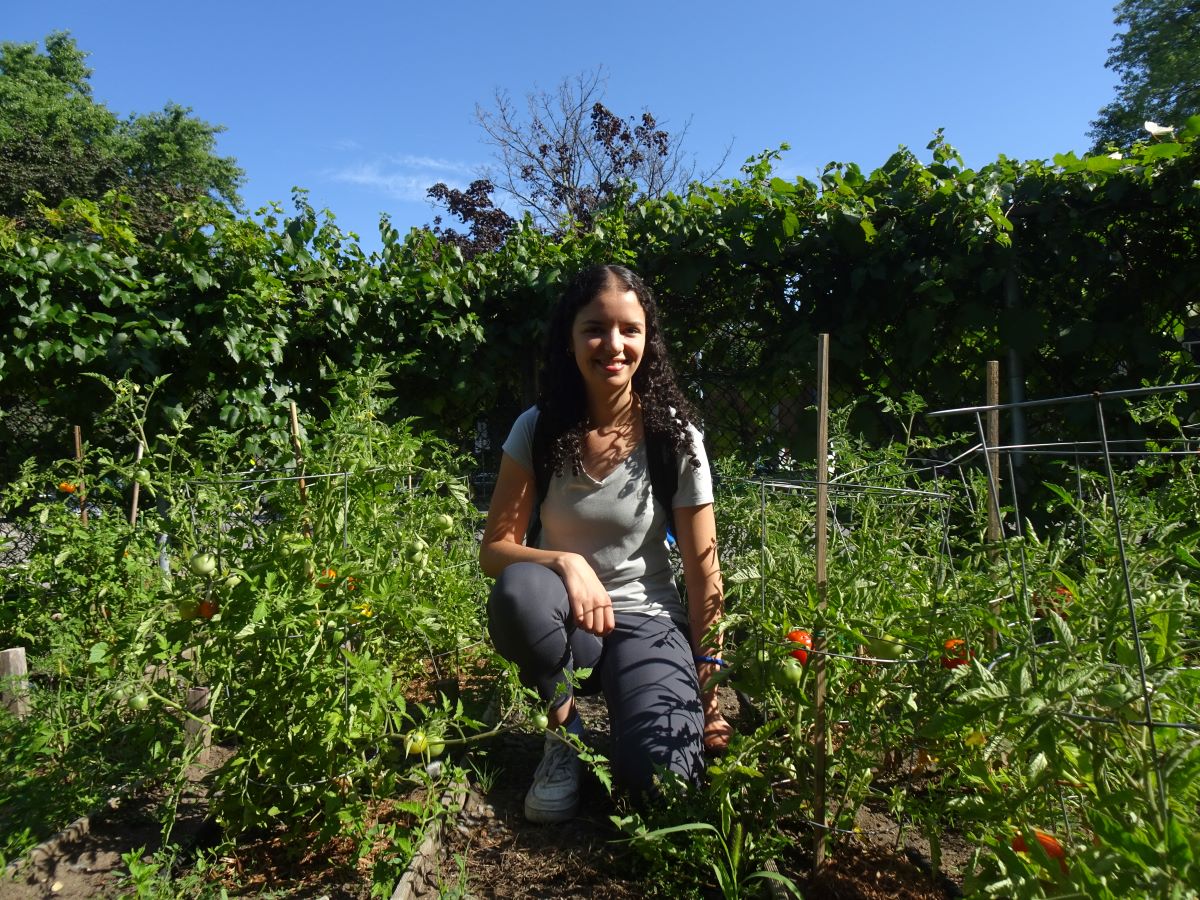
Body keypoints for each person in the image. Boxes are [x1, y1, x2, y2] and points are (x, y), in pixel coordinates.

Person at [479, 263, 730, 823]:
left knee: (662, 788)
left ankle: (637, 711)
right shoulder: (538, 429)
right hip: (565, 622)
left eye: (629, 329)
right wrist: (565, 561)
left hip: (650, 619)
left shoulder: (675, 439)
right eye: (595, 328)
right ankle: (564, 735)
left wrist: (708, 691)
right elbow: (495, 548)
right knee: (520, 591)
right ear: (570, 339)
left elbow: (702, 572)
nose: (613, 345)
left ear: (648, 339)